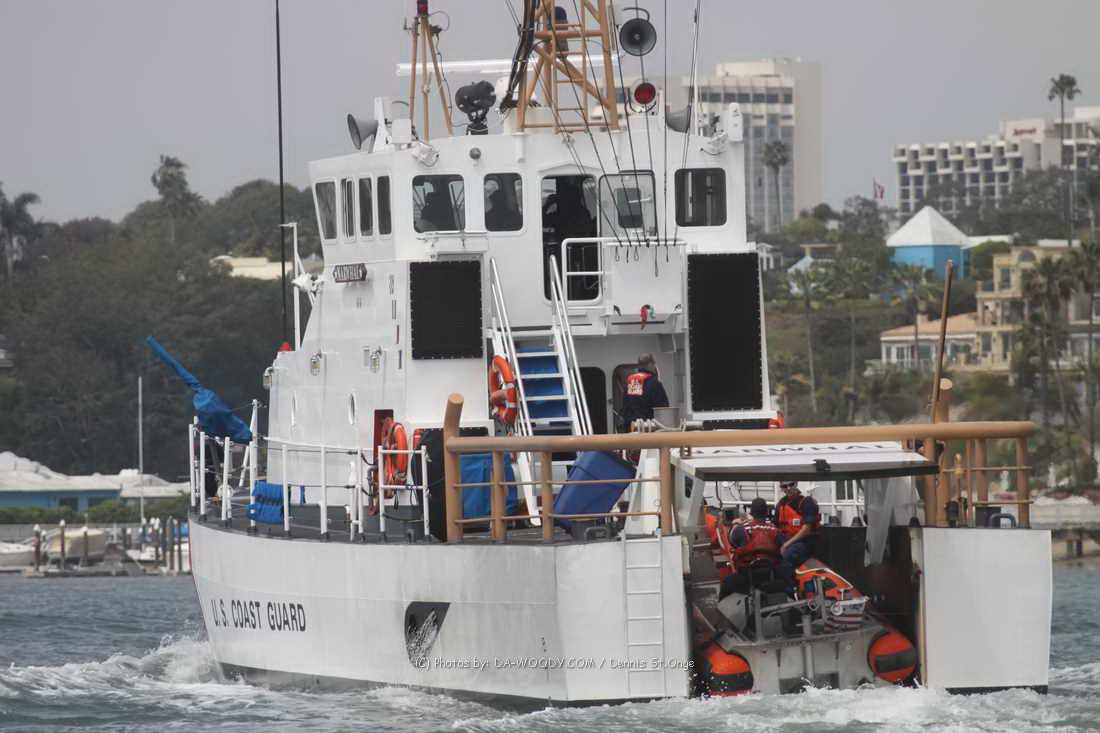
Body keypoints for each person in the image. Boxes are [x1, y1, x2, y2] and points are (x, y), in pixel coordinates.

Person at [719, 497, 782, 598]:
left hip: (746, 577)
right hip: (770, 575)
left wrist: (735, 524)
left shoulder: (741, 529)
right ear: (767, 512)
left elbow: (732, 542)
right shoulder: (775, 530)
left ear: (751, 513)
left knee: (726, 583)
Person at [775, 480, 821, 573]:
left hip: (803, 542)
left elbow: (806, 530)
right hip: (784, 539)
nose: (788, 488)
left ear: (796, 484)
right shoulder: (781, 504)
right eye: (784, 486)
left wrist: (785, 545)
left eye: (791, 484)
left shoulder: (807, 502)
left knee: (784, 557)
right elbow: (775, 526)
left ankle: (789, 581)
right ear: (781, 487)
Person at [619, 353, 669, 432]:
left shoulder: (630, 383)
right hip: (649, 428)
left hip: (631, 428)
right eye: (654, 364)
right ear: (650, 364)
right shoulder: (655, 383)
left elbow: (625, 408)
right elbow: (663, 409)